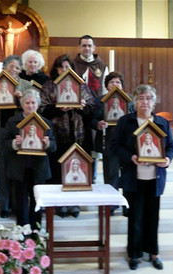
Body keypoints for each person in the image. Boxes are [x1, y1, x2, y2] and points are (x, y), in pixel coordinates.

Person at [111, 84, 173, 271]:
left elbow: (171, 146)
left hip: (155, 178)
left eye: (148, 98)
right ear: (135, 102)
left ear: (154, 102)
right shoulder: (126, 122)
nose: (145, 102)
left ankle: (154, 253)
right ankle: (135, 254)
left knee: (152, 217)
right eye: (141, 98)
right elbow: (115, 146)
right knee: (135, 217)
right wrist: (130, 157)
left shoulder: (162, 123)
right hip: (133, 177)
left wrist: (167, 159)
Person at [39, 54, 95, 218]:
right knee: (57, 170)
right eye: (62, 66)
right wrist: (58, 108)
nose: (65, 70)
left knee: (75, 168)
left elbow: (92, 108)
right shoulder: (49, 86)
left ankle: (74, 203)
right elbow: (42, 110)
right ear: (56, 69)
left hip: (78, 136)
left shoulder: (81, 86)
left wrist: (81, 107)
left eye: (67, 66)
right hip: (57, 136)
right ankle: (59, 204)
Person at [2, 89, 56, 230]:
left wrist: (47, 143)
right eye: (27, 103)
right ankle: (22, 231)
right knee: (20, 201)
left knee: (37, 200)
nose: (30, 106)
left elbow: (54, 146)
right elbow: (4, 143)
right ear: (22, 104)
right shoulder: (13, 121)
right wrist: (15, 143)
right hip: (19, 168)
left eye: (33, 103)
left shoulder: (45, 123)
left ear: (37, 104)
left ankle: (36, 231)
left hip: (39, 168)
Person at [0, 55, 33, 218]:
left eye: (16, 67)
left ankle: (17, 205)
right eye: (11, 66)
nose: (14, 70)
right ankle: (5, 205)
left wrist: (23, 101)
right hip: (2, 129)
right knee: (3, 167)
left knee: (18, 169)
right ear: (4, 67)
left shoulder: (26, 85)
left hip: (21, 130)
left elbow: (34, 108)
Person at [91, 71, 134, 216]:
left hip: (128, 144)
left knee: (127, 175)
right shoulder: (100, 101)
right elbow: (92, 119)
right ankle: (111, 204)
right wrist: (98, 124)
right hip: (108, 142)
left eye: (118, 82)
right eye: (112, 82)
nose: (115, 85)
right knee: (111, 174)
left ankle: (128, 204)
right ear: (106, 85)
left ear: (122, 86)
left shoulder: (129, 100)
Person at [71, 35, 110, 184]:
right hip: (77, 111)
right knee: (79, 142)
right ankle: (77, 174)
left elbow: (106, 90)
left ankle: (92, 176)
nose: (87, 48)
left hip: (95, 111)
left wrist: (103, 109)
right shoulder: (73, 64)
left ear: (94, 48)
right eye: (84, 45)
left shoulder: (102, 66)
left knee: (93, 145)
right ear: (79, 47)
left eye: (89, 46)